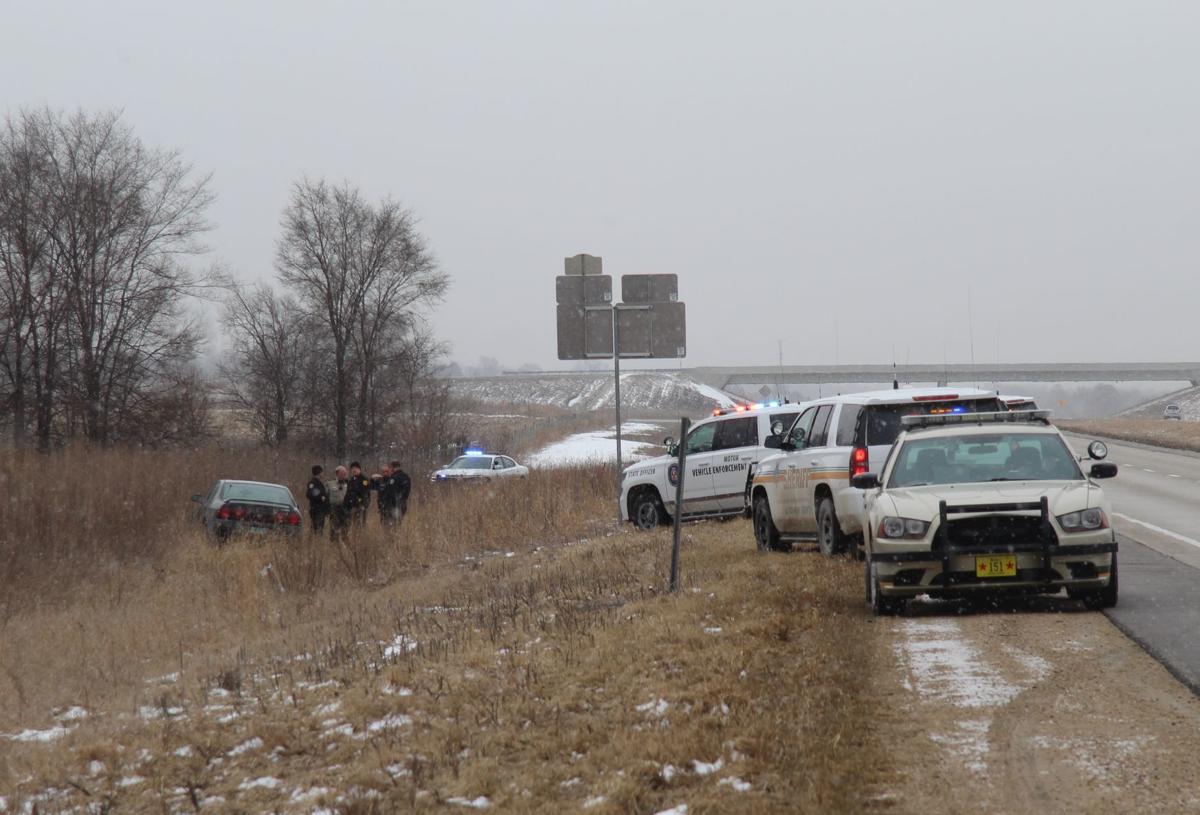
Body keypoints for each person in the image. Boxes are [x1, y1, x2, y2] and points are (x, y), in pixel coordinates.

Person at [327, 465, 350, 543]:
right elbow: (325, 497)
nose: (344, 476)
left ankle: (345, 543)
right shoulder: (330, 484)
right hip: (334, 509)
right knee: (334, 529)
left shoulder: (348, 484)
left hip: (345, 509)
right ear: (337, 474)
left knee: (346, 529)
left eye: (345, 474)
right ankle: (334, 545)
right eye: (342, 474)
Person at [345, 461, 372, 528]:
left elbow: (365, 492)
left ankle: (361, 537)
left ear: (359, 469)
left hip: (361, 505)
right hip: (352, 505)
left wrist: (363, 504)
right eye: (352, 468)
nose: (354, 470)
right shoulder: (351, 480)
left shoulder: (364, 479)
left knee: (361, 524)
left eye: (355, 468)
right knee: (353, 525)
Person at [306, 465, 330, 534]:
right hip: (316, 510)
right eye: (322, 472)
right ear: (319, 473)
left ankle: (316, 542)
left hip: (321, 510)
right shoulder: (313, 483)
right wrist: (320, 497)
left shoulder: (319, 483)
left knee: (319, 529)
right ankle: (316, 542)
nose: (322, 474)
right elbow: (309, 493)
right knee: (317, 529)